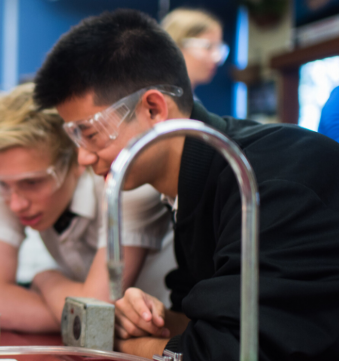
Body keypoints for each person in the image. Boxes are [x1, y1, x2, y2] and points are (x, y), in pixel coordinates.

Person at [34, 9, 339, 360]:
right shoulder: (188, 186)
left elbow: (232, 353)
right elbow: (206, 319)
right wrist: (153, 319)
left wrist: (119, 343)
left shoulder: (267, 178)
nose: (85, 158)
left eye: (90, 134)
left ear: (153, 108)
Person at [0, 83, 175, 332]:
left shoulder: (124, 184)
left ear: (76, 158)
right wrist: (85, 319)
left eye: (33, 182)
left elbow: (95, 313)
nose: (16, 203)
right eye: (3, 185)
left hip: (169, 338)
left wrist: (46, 279)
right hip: (110, 340)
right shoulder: (8, 183)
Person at [161, 8, 228, 91]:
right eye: (208, 47)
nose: (216, 57)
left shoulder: (187, 100)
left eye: (218, 47)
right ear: (176, 46)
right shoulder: (157, 99)